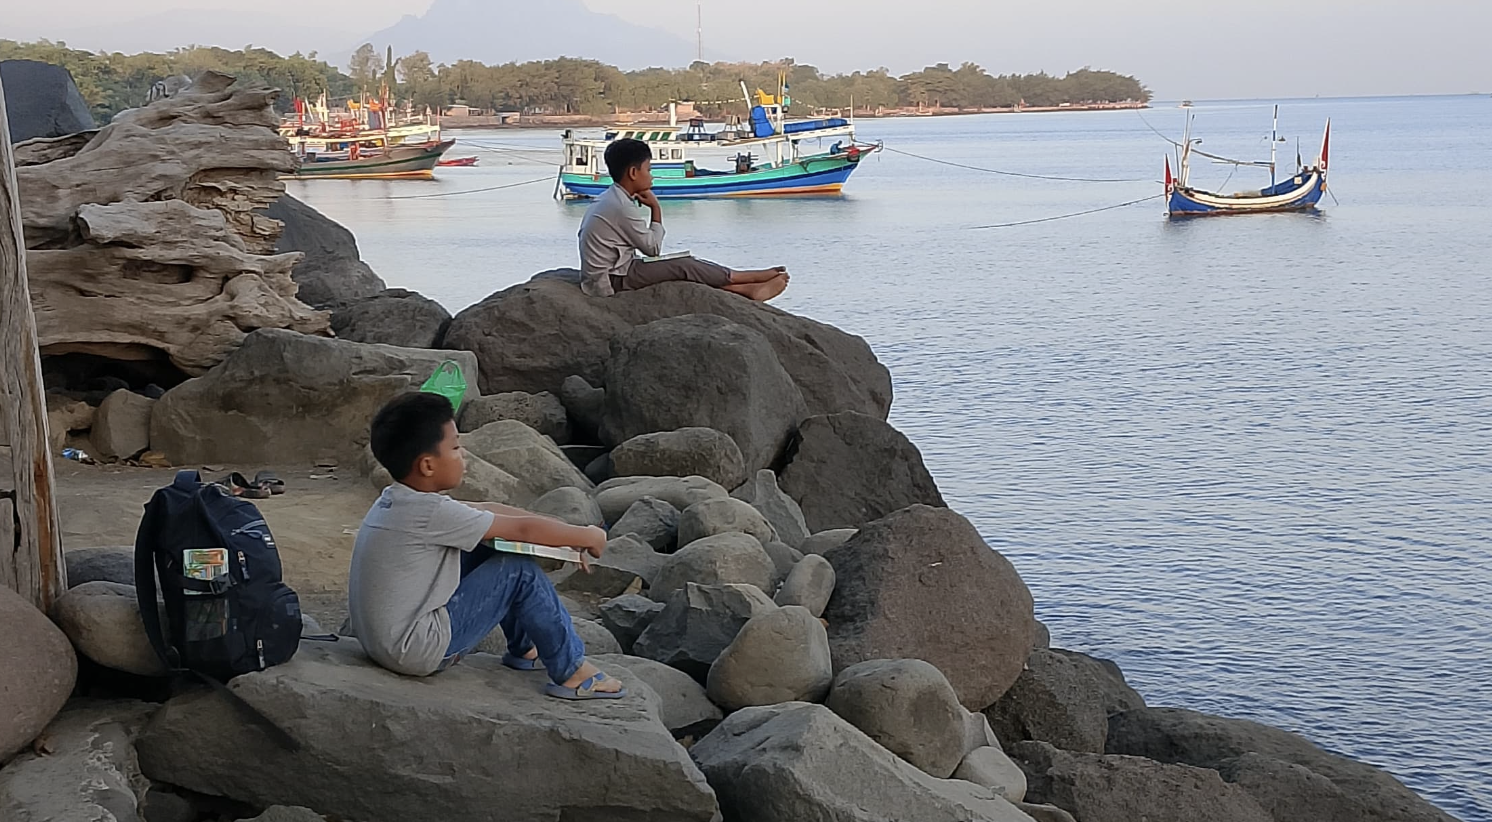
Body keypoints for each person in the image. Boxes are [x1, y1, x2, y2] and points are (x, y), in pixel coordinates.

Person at [347, 392, 626, 699]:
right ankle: (572, 671)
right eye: (455, 447)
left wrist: (568, 533)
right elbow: (522, 529)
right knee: (516, 570)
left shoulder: (400, 500)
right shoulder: (432, 513)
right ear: (427, 465)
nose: (463, 454)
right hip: (415, 651)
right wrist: (587, 536)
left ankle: (526, 648)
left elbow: (489, 509)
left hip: (386, 643)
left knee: (489, 546)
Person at [578, 138, 791, 300]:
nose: (651, 176)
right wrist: (656, 208)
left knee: (688, 263)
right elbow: (652, 249)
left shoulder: (611, 198)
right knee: (683, 265)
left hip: (617, 270)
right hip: (612, 280)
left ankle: (744, 290)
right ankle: (743, 278)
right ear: (633, 172)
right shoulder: (620, 206)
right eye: (649, 170)